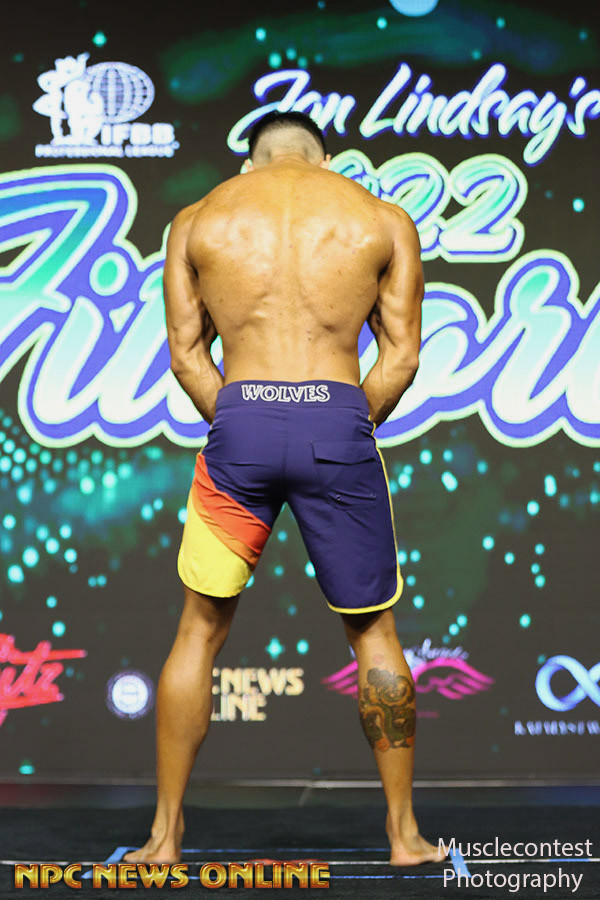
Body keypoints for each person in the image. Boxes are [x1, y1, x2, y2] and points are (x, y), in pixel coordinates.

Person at [124, 110, 441, 867]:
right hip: (338, 423)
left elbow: (185, 354)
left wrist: (246, 418)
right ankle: (404, 838)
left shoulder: (199, 220)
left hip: (242, 424)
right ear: (324, 159)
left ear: (250, 162)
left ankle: (163, 839)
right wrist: (340, 422)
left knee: (199, 630)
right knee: (375, 632)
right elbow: (401, 357)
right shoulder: (379, 219)